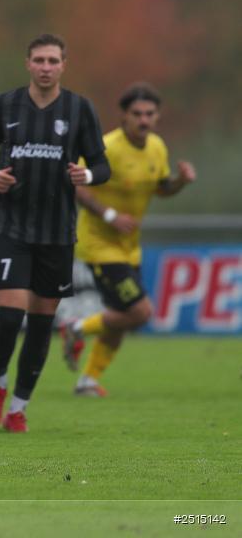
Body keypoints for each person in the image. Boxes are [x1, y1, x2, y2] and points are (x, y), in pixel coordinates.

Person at [0, 33, 111, 433]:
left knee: (41, 323)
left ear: (64, 64)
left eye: (53, 60)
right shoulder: (7, 104)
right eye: (39, 60)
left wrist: (87, 174)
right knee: (9, 315)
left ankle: (19, 406)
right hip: (11, 225)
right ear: (28, 63)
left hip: (57, 232)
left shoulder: (79, 109)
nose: (46, 67)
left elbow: (103, 165)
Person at [60, 83, 196, 396]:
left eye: (149, 114)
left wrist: (181, 182)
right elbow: (78, 185)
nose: (144, 120)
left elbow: (161, 189)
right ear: (124, 116)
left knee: (120, 318)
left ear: (157, 116)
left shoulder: (157, 148)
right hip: (99, 244)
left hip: (128, 247)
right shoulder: (107, 146)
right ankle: (76, 328)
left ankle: (88, 380)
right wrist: (109, 215)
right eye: (137, 114)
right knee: (139, 312)